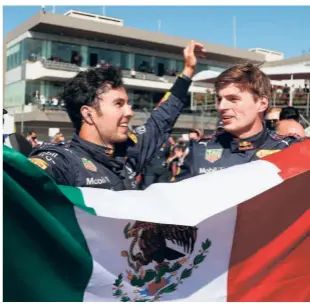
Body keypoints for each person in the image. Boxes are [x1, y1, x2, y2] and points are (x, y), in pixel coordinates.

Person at [29, 40, 207, 189]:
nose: (129, 112)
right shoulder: (64, 161)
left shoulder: (128, 150)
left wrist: (188, 71)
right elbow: (24, 180)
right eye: (118, 104)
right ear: (88, 113)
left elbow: (161, 119)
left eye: (128, 104)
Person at [176, 63, 304, 179]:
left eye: (233, 99)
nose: (222, 107)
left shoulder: (289, 148)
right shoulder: (200, 150)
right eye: (220, 99)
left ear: (262, 104)